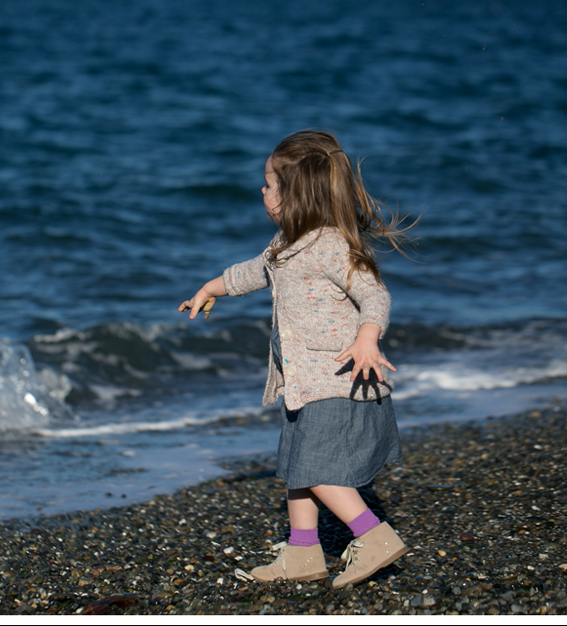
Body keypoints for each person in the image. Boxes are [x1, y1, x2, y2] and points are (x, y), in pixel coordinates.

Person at [178, 130, 415, 588]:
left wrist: (369, 338)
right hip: (303, 383)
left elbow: (374, 295)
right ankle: (304, 551)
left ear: (294, 194)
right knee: (295, 467)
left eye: (268, 184)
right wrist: (211, 287)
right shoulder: (285, 244)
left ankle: (374, 536)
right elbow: (253, 272)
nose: (262, 191)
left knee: (314, 468)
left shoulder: (330, 245)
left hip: (339, 378)